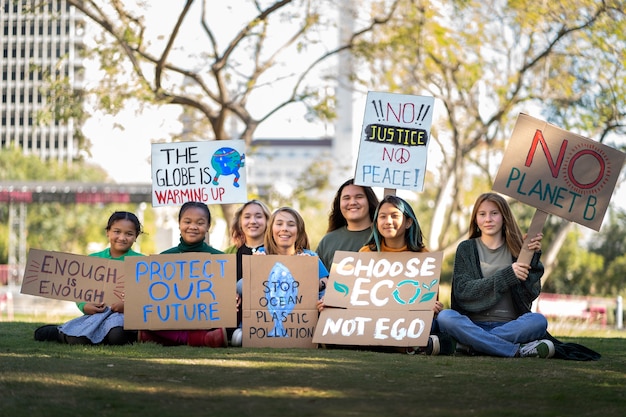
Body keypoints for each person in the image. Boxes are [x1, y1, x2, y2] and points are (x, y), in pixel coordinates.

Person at [317, 195, 445, 354]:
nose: (388, 221)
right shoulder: (365, 253)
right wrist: (331, 302)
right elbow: (351, 294)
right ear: (376, 223)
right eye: (382, 217)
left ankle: (401, 344)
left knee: (431, 325)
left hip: (406, 321)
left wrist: (433, 308)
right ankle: (409, 347)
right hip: (372, 321)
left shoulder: (424, 257)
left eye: (395, 216)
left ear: (408, 222)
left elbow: (430, 300)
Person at [436, 192, 554, 358]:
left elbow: (531, 293)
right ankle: (514, 350)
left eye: (494, 213)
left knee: (538, 321)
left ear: (504, 216)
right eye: (482, 214)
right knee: (445, 317)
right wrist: (506, 276)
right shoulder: (466, 248)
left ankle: (470, 345)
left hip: (510, 325)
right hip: (472, 324)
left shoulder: (518, 249)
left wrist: (533, 258)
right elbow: (462, 291)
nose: (488, 219)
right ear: (475, 219)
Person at [34, 211, 144, 345]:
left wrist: (127, 306)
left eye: (129, 234)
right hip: (97, 315)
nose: (122, 237)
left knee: (117, 336)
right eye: (117, 231)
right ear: (107, 232)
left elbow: (147, 297)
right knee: (79, 339)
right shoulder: (93, 259)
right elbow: (80, 291)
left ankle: (100, 336)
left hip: (124, 317)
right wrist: (85, 306)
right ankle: (59, 333)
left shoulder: (142, 263)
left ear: (136, 236)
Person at [138, 201, 228, 348]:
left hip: (207, 321)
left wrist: (232, 298)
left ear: (208, 227)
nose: (192, 227)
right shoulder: (164, 258)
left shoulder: (220, 259)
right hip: (171, 321)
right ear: (179, 224)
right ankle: (198, 339)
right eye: (187, 221)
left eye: (200, 223)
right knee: (141, 315)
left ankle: (159, 338)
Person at [253, 207, 329, 298]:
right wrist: (255, 266)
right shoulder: (262, 254)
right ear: (271, 229)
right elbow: (247, 287)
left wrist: (309, 272)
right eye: (279, 224)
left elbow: (325, 287)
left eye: (291, 225)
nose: (284, 228)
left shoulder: (310, 257)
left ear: (299, 231)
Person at [224, 199, 271, 343]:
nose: (253, 221)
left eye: (258, 216)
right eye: (247, 217)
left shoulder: (276, 252)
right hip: (236, 313)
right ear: (239, 222)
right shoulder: (228, 254)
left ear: (267, 221)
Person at [316, 179, 379, 271]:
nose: (352, 202)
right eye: (346, 198)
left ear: (369, 201)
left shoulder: (385, 237)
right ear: (339, 204)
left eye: (359, 197)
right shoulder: (328, 241)